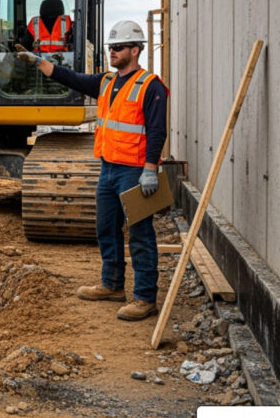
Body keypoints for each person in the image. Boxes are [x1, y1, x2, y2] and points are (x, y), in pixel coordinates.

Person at [17, 19, 168, 321]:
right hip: (108, 167)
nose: (112, 51)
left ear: (135, 50)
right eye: (111, 47)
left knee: (140, 234)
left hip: (134, 171)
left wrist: (150, 168)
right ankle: (112, 285)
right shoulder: (107, 82)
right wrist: (40, 63)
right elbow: (71, 78)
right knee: (106, 229)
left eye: (119, 47)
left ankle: (145, 298)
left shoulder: (151, 86)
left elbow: (156, 130)